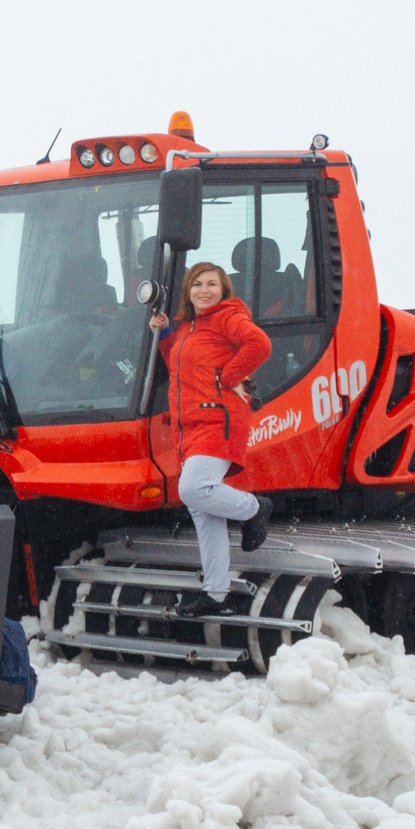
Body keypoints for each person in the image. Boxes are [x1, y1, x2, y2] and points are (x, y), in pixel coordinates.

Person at [149, 261, 278, 619]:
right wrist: (164, 336)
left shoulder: (227, 317)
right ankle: (216, 593)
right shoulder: (189, 327)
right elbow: (181, 365)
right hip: (190, 426)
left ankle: (255, 509)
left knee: (194, 489)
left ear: (223, 290)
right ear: (188, 291)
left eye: (212, 284)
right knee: (203, 511)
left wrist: (230, 375)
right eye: (197, 285)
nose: (204, 290)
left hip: (217, 419)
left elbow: (259, 344)